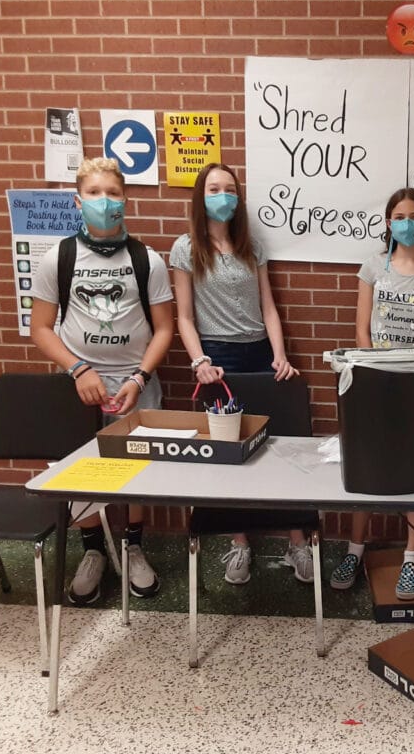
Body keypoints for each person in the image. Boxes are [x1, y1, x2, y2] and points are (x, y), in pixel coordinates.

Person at [30, 156, 174, 605]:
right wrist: (78, 368)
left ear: (125, 201)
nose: (104, 202)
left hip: (136, 384)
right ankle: (92, 552)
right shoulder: (60, 257)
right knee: (81, 471)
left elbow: (165, 328)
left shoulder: (146, 259)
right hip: (78, 385)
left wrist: (139, 375)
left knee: (135, 473)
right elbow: (41, 328)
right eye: (94, 193)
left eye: (113, 194)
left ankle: (133, 548)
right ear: (78, 200)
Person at [170, 162, 312, 586]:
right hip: (217, 358)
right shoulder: (185, 248)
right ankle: (240, 544)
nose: (223, 196)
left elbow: (268, 306)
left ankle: (297, 541)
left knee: (280, 447)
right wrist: (200, 362)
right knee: (229, 454)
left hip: (260, 353)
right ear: (200, 195)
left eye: (229, 189)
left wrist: (280, 355)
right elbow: (184, 317)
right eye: (214, 188)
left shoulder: (252, 246)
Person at [329, 187, 414, 600]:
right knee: (367, 464)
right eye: (400, 216)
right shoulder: (372, 268)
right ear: (388, 223)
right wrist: (372, 370)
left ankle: (411, 557)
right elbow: (361, 330)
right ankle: (355, 548)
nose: (408, 223)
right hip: (373, 381)